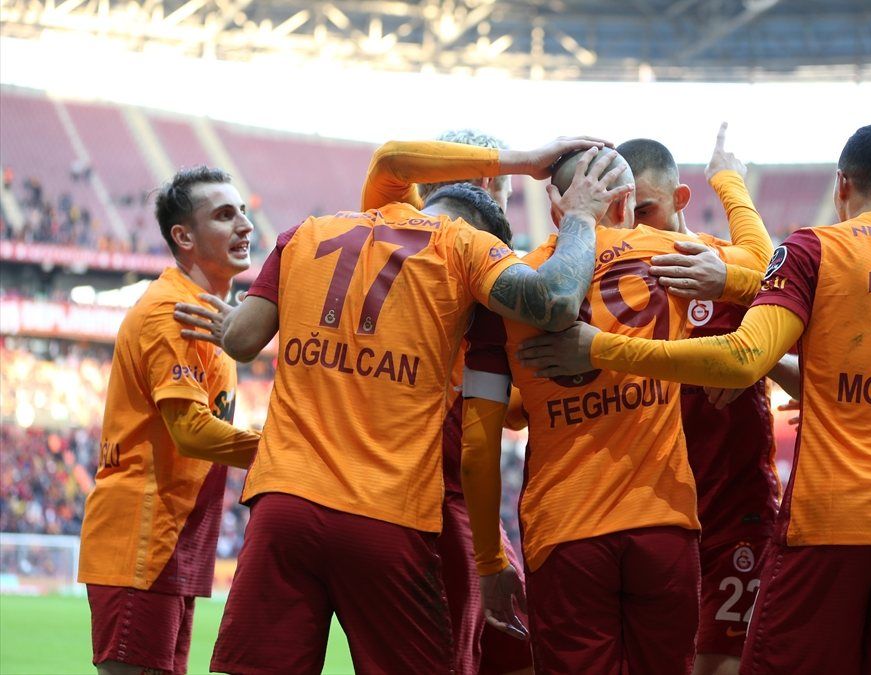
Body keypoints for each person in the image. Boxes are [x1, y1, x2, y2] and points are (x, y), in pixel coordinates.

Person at [516, 123, 871, 673]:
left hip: (832, 521)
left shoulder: (816, 248)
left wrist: (600, 348)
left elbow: (744, 356)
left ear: (841, 185)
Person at [207, 139, 628, 674]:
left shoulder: (305, 233)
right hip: (386, 514)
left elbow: (241, 340)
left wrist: (521, 161)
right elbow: (556, 300)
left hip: (282, 505)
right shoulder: (465, 248)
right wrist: (581, 217)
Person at [460, 129, 770, 675]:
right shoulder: (672, 256)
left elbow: (479, 444)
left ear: (555, 206)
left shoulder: (506, 286)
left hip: (564, 531)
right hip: (663, 524)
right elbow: (768, 268)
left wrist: (488, 559)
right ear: (627, 203)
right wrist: (728, 182)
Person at [360, 128, 534, 675]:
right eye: (504, 193)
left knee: (510, 649)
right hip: (440, 496)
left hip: (401, 489)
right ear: (484, 184)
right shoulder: (474, 263)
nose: (505, 212)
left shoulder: (382, 233)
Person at [78, 166, 261, 675]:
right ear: (184, 237)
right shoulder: (171, 312)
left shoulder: (210, 317)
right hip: (142, 541)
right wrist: (284, 447)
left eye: (243, 211)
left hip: (172, 540)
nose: (245, 225)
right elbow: (191, 431)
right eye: (224, 215)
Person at [616, 135, 780, 675]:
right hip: (653, 516)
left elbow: (792, 290)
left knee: (720, 663)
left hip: (735, 512)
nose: (634, 226)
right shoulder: (616, 279)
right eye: (623, 213)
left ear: (680, 198)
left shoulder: (724, 264)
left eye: (645, 210)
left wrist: (751, 355)